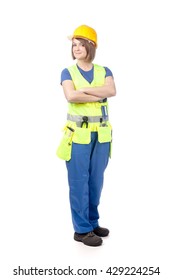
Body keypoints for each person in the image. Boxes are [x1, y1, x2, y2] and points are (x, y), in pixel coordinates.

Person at [57, 24, 116, 246]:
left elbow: (111, 91)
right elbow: (71, 97)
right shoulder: (67, 72)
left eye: (81, 44)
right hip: (78, 135)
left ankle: (92, 222)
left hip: (101, 135)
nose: (77, 48)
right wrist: (95, 94)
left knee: (96, 181)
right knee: (79, 181)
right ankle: (81, 230)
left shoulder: (105, 71)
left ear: (91, 46)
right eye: (74, 45)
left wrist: (84, 92)